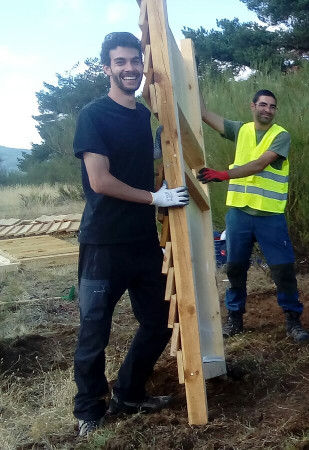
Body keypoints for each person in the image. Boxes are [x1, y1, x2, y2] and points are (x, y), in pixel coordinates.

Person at [72, 32, 190, 437]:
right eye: (120, 62)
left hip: (142, 242)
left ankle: (128, 393)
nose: (129, 69)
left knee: (159, 322)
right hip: (103, 243)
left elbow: (142, 160)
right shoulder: (93, 115)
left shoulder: (142, 116)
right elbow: (101, 180)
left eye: (134, 62)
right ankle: (89, 410)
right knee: (94, 331)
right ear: (106, 68)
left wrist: (164, 156)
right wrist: (154, 198)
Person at [197, 90, 309, 342]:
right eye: (262, 104)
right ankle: (235, 318)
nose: (267, 110)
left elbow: (260, 164)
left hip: (270, 217)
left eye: (272, 106)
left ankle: (293, 320)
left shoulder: (281, 136)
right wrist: (194, 76)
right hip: (239, 215)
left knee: (283, 270)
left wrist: (223, 175)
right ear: (252, 106)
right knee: (235, 268)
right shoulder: (241, 130)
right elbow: (204, 114)